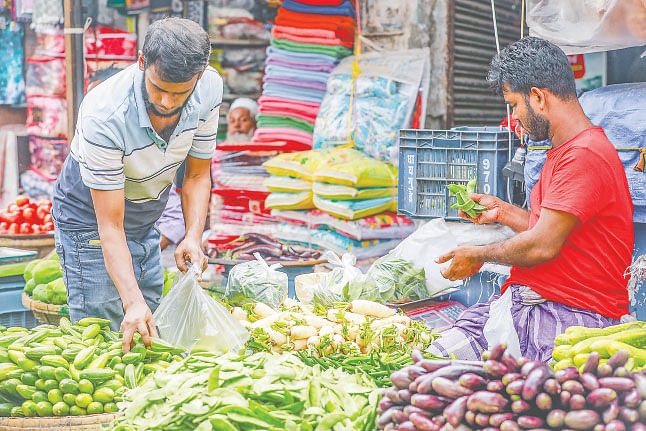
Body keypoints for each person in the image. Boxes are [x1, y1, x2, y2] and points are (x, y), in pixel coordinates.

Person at [428, 37, 634, 362]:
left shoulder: (584, 155)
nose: (514, 119)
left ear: (537, 97)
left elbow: (542, 245)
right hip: (529, 302)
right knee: (426, 362)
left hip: (565, 314)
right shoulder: (562, 151)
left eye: (514, 105)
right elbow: (551, 230)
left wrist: (479, 255)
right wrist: (503, 212)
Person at [52, 17, 222, 351]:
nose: (167, 103)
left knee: (151, 330)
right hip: (90, 219)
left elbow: (198, 175)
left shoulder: (209, 89)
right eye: (159, 88)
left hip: (146, 214)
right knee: (104, 337)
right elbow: (110, 227)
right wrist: (132, 301)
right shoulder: (104, 113)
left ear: (198, 77)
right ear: (142, 61)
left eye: (179, 93)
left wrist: (192, 236)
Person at [155, 97, 258, 251]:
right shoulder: (217, 156)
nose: (237, 125)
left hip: (256, 221)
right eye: (232, 120)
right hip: (222, 223)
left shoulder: (263, 158)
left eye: (243, 120)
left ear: (255, 124)